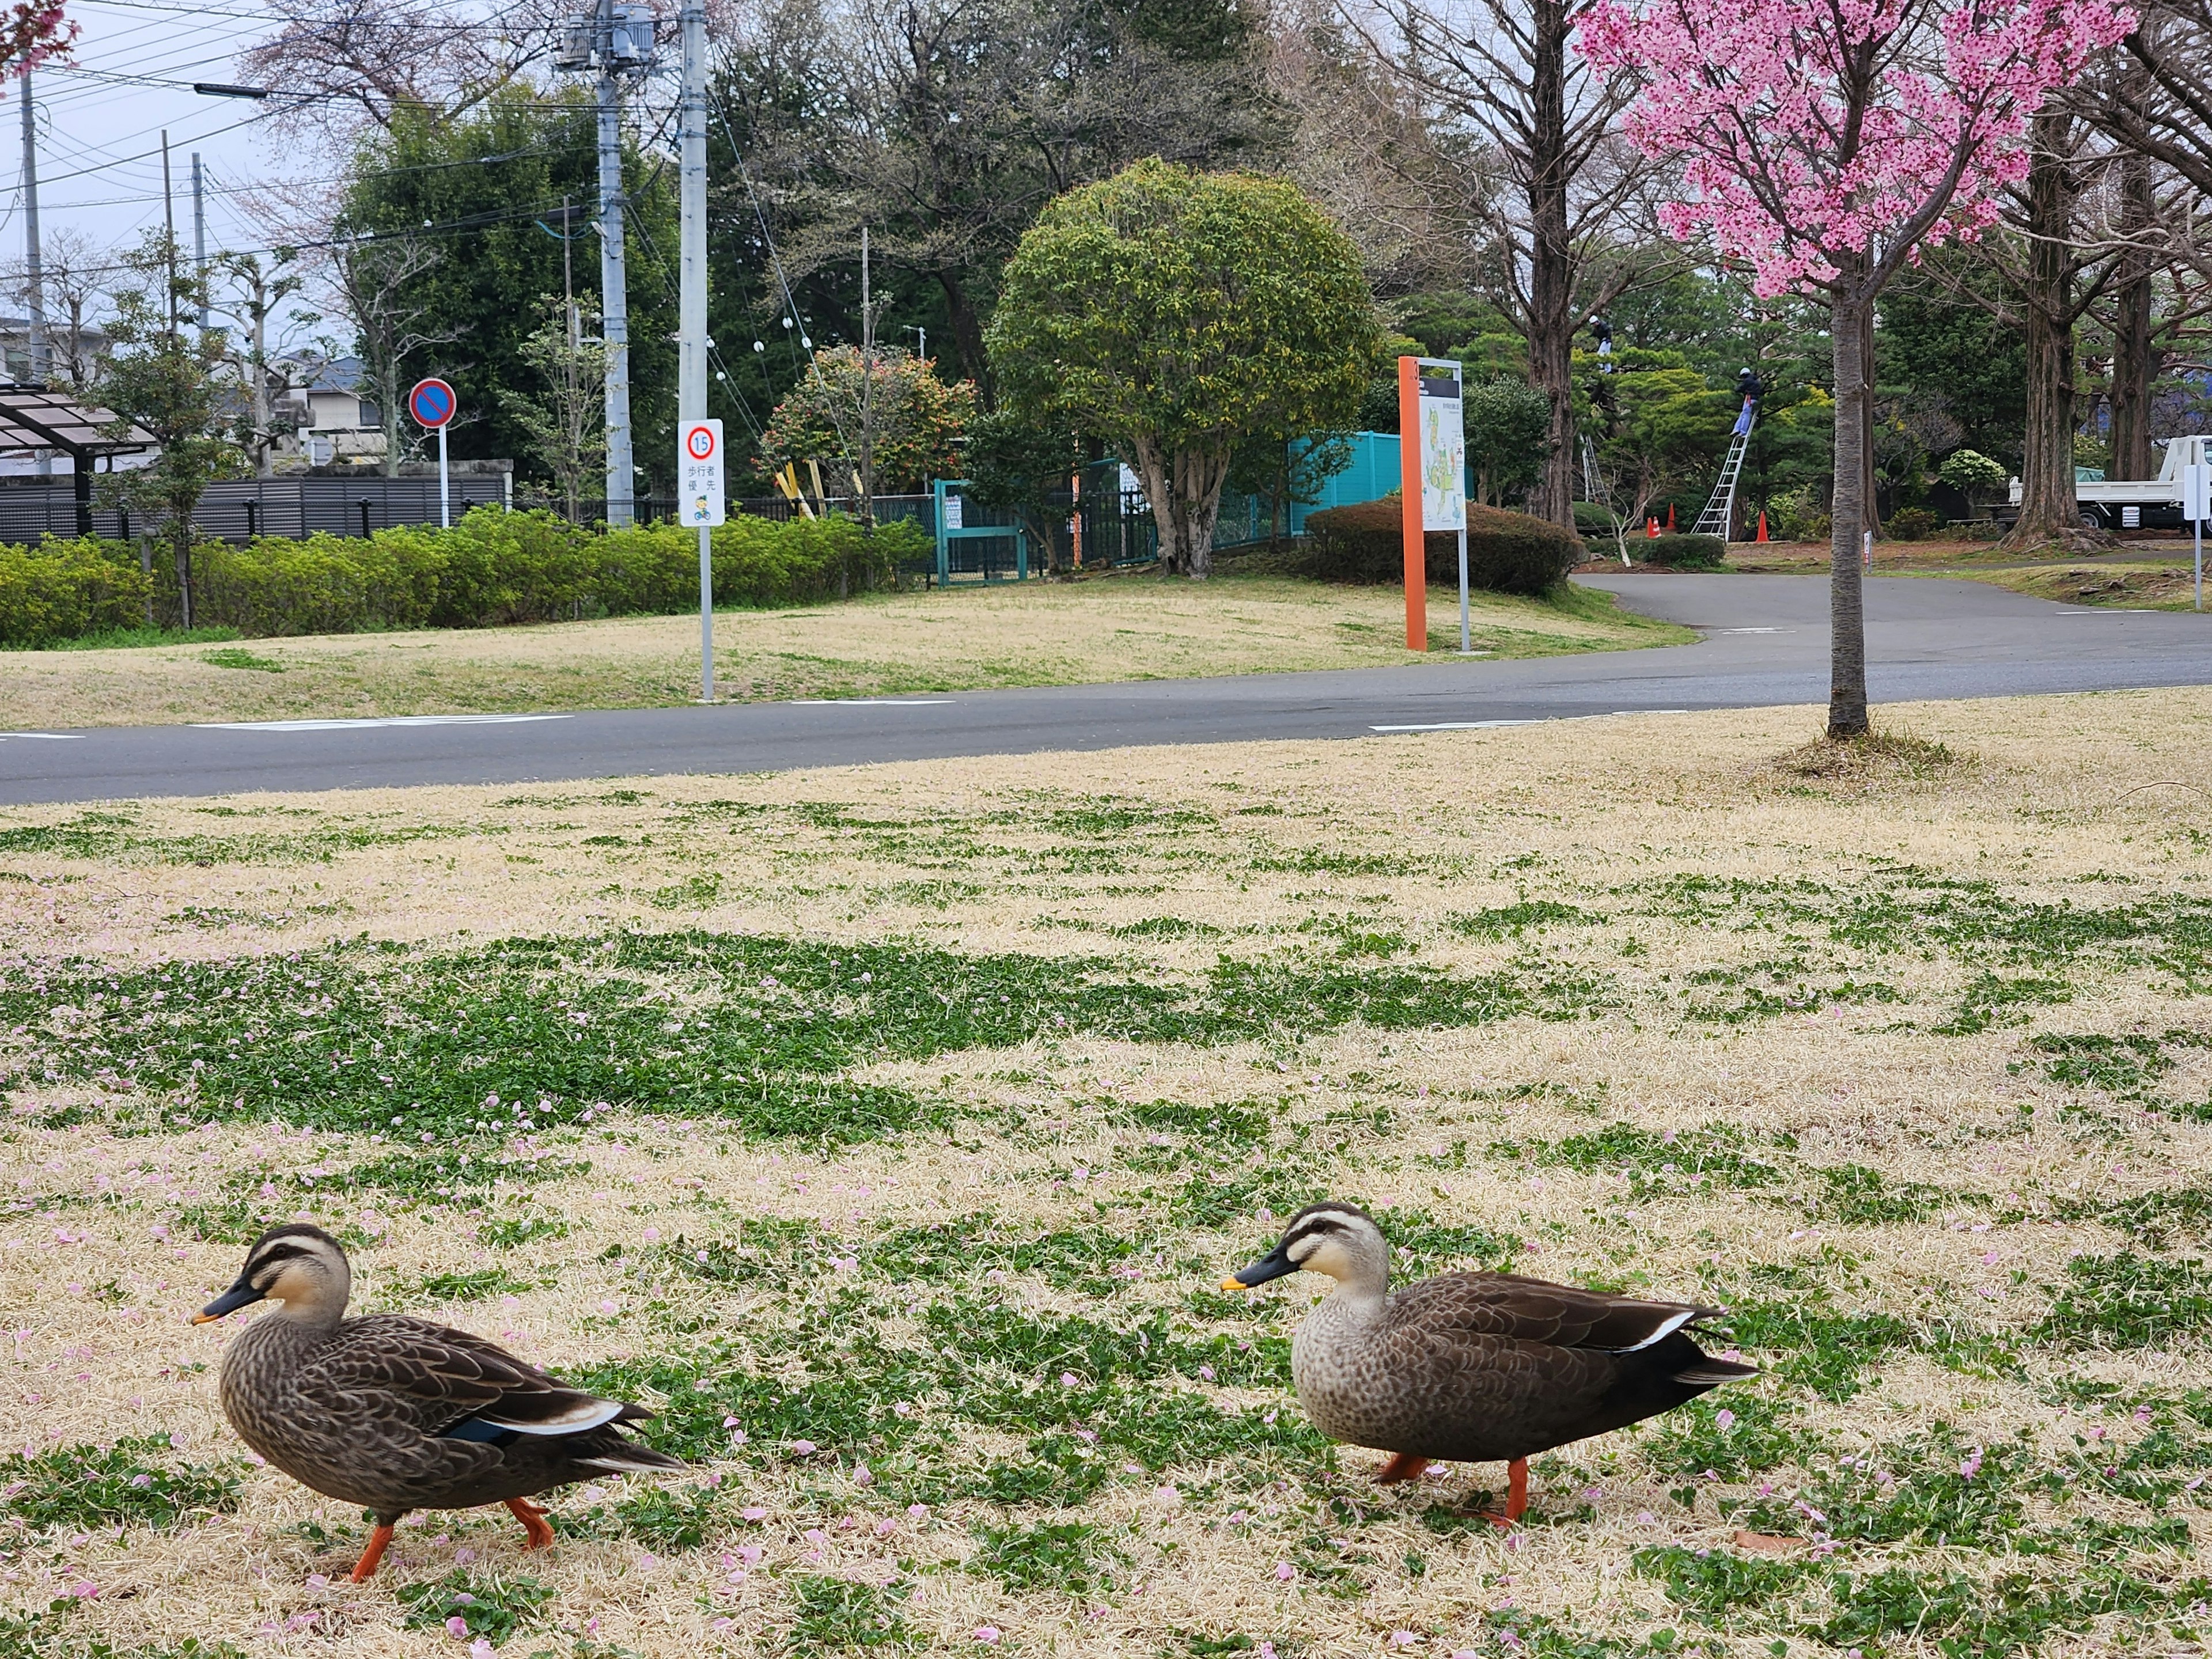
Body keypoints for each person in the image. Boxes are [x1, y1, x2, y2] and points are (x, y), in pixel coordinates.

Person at [1732, 366, 1764, 437]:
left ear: (1744, 375)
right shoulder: (1756, 381)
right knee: (1743, 414)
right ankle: (1736, 429)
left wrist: (1736, 389)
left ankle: (1742, 431)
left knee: (1746, 414)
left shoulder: (1747, 381)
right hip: (1756, 399)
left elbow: (1740, 388)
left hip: (1750, 399)